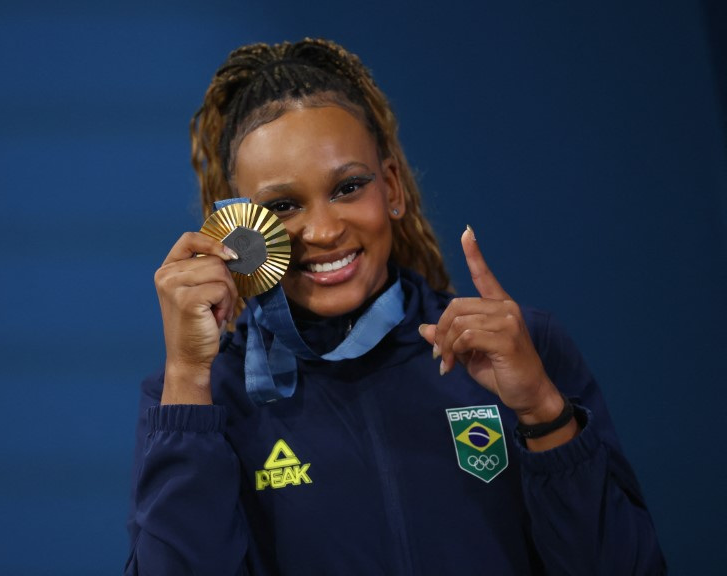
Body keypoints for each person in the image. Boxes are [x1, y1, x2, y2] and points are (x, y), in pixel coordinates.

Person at [126, 38, 665, 575]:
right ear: (241, 227)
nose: (324, 230)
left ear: (392, 188)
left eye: (348, 187)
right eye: (283, 206)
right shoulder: (204, 395)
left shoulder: (519, 350)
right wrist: (188, 381)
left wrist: (544, 415)